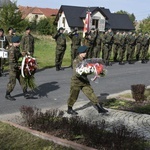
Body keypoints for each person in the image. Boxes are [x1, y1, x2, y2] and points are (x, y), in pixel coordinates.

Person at [67, 45, 108, 115]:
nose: (86, 53)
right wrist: (84, 71)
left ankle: (99, 108)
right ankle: (69, 109)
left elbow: (90, 68)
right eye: (84, 52)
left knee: (91, 94)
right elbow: (76, 73)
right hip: (76, 81)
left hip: (84, 81)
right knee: (73, 96)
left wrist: (97, 71)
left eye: (86, 52)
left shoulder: (85, 60)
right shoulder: (76, 61)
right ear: (80, 53)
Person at [5, 36, 30, 101]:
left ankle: (25, 93)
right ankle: (7, 94)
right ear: (15, 43)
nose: (19, 43)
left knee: (22, 80)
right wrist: (19, 66)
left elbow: (19, 55)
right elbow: (12, 62)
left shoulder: (16, 49)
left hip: (18, 68)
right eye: (18, 42)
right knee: (12, 82)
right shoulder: (12, 50)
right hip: (13, 69)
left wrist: (24, 54)